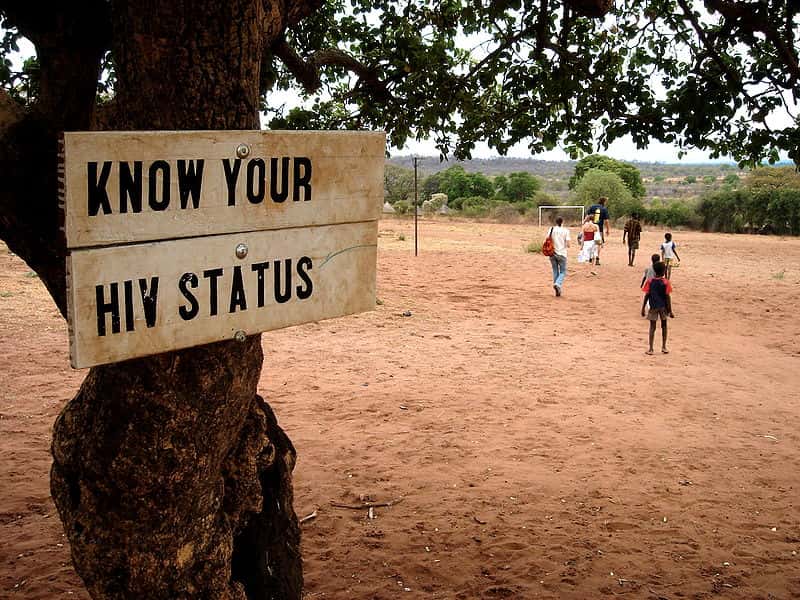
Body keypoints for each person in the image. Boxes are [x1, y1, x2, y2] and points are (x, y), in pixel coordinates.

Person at [641, 261, 674, 355]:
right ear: (664, 272)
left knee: (652, 327)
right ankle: (664, 347)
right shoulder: (666, 282)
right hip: (663, 307)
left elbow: (647, 295)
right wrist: (670, 310)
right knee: (664, 326)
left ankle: (651, 348)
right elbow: (667, 297)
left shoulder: (650, 281)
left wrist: (643, 307)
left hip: (653, 306)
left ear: (654, 271)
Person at [548, 216, 570, 296]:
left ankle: (557, 288)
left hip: (552, 252)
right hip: (562, 253)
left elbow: (548, 239)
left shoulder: (551, 229)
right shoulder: (566, 231)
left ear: (556, 222)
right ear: (562, 222)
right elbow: (568, 244)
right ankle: (558, 284)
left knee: (555, 270)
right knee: (563, 271)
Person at [586, 196, 610, 265]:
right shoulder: (604, 209)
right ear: (604, 202)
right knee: (598, 244)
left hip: (590, 228)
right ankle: (597, 259)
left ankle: (590, 257)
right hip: (599, 229)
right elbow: (606, 221)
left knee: (590, 242)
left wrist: (584, 224)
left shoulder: (592, 207)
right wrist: (608, 230)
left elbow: (587, 217)